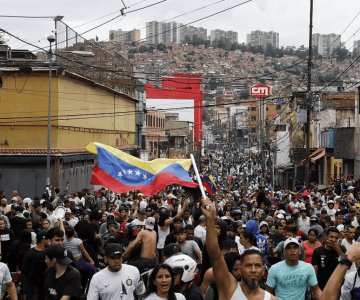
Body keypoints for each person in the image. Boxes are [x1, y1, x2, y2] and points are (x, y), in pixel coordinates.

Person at [200, 198, 275, 300]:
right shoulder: (229, 288)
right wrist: (210, 220)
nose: (253, 270)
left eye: (257, 265)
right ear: (241, 268)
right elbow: (215, 256)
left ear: (263, 270)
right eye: (248, 265)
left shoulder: (270, 299)